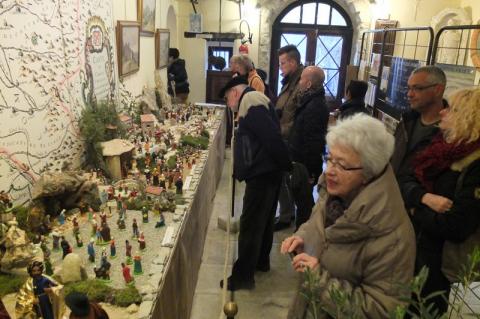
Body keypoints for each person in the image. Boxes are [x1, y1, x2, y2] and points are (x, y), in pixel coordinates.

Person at [281, 114, 416, 318]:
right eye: (329, 159)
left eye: (342, 165)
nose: (329, 172)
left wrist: (319, 280)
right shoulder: (334, 193)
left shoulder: (392, 237)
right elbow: (317, 224)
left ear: (369, 172)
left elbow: (381, 311)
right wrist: (303, 237)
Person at [397, 88, 480, 314]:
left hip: (437, 264)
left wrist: (414, 209)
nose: (442, 113)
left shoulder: (474, 166)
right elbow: (405, 178)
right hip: (412, 247)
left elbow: (457, 225)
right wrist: (424, 197)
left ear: (469, 117)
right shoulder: (439, 148)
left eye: (451, 109)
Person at [219, 76, 292, 291]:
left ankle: (243, 276)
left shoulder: (250, 100)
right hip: (267, 171)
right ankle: (261, 262)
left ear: (234, 92)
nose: (228, 104)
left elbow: (271, 137)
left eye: (226, 99)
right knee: (264, 220)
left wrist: (285, 164)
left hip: (263, 172)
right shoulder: (253, 99)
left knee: (250, 224)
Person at [275, 66, 329, 231]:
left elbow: (314, 141)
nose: (299, 82)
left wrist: (312, 172)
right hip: (300, 161)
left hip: (305, 165)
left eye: (301, 79)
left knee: (305, 204)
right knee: (301, 200)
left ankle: (302, 238)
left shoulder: (315, 106)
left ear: (309, 84)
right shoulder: (308, 102)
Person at [391, 66, 447, 175]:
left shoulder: (451, 132)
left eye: (417, 88)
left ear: (438, 90)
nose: (409, 94)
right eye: (409, 88)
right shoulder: (406, 121)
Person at [275, 44, 304, 231]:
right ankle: (288, 213)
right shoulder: (290, 80)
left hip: (290, 139)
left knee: (283, 177)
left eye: (282, 63)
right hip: (283, 136)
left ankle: (287, 216)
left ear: (293, 63)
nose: (280, 67)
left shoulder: (301, 83)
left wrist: (281, 131)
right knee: (283, 178)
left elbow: (298, 117)